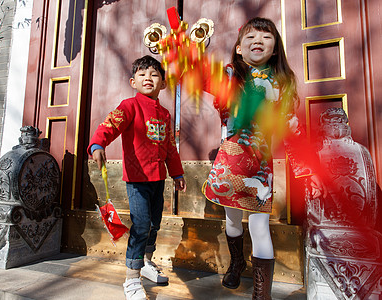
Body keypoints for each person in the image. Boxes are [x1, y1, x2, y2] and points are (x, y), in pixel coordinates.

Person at [202, 17, 325, 299]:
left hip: (260, 165)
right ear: (238, 49)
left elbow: (292, 127)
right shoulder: (230, 77)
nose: (258, 40)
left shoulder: (281, 85)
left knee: (259, 224)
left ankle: (262, 294)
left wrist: (309, 169)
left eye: (266, 37)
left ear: (275, 49)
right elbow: (204, 78)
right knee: (232, 221)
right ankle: (236, 261)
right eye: (251, 36)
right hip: (230, 161)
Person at [88, 55, 187, 300]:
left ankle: (145, 262)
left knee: (154, 225)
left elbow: (170, 147)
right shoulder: (129, 106)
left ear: (163, 83)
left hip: (158, 179)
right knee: (141, 225)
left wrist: (177, 173)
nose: (148, 79)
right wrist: (97, 144)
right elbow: (110, 125)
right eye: (142, 75)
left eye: (154, 75)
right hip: (137, 179)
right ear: (133, 81)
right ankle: (132, 278)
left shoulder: (164, 114)